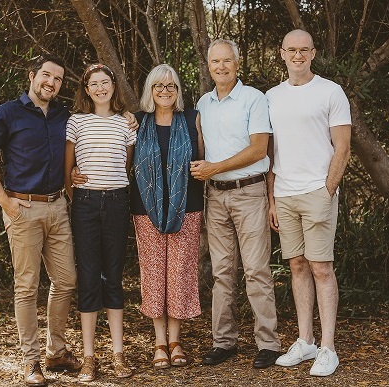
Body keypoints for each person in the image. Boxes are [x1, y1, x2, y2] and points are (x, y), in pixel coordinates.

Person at [0, 55, 81, 386]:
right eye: (46, 75)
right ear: (32, 76)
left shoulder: (64, 115)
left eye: (58, 79)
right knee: (27, 286)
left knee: (66, 281)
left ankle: (56, 352)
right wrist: (6, 202)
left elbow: (90, 131)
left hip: (58, 207)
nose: (51, 82)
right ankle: (31, 361)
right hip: (23, 209)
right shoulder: (9, 112)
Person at [191, 39, 282, 369]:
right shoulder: (203, 103)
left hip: (249, 193)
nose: (221, 67)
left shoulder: (254, 99)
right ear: (209, 65)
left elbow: (259, 149)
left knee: (256, 270)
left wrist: (214, 167)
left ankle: (268, 344)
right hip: (215, 197)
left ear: (237, 64)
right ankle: (224, 342)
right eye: (215, 62)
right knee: (223, 273)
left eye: (226, 61)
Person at [266, 29, 351, 377]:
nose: (297, 55)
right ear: (282, 54)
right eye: (291, 50)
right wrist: (272, 198)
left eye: (304, 50)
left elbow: (342, 147)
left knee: (321, 268)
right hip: (284, 194)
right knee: (297, 266)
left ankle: (328, 348)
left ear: (313, 53)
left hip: (318, 190)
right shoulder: (270, 96)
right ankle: (306, 341)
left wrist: (327, 190)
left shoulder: (331, 92)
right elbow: (269, 152)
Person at [64, 63, 136, 382]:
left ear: (113, 86)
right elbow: (69, 171)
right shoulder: (75, 122)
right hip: (86, 204)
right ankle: (89, 357)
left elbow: (126, 166)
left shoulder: (126, 124)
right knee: (90, 276)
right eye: (94, 83)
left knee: (114, 277)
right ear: (87, 89)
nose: (100, 88)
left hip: (118, 202)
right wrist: (74, 188)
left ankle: (119, 355)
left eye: (105, 82)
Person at [131, 64, 204, 370]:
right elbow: (126, 165)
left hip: (187, 208)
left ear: (178, 91)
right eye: (158, 86)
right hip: (145, 209)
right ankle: (159, 342)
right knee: (153, 275)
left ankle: (175, 341)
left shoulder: (191, 119)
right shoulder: (137, 122)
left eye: (171, 86)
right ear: (150, 90)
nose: (164, 91)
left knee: (179, 274)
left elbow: (201, 160)